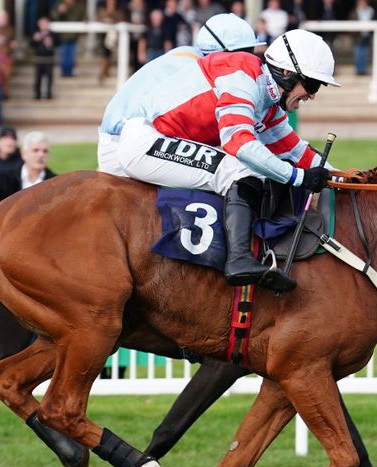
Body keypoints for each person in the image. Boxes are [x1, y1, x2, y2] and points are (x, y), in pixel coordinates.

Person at [115, 29, 338, 291]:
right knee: (242, 170)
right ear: (286, 73)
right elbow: (239, 143)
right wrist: (298, 178)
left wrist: (344, 177)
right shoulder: (243, 74)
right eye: (311, 85)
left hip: (162, 139)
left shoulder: (268, 99)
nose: (312, 95)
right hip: (146, 141)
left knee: (260, 169)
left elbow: (296, 151)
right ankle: (239, 260)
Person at [99, 13, 264, 177]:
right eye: (244, 54)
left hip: (116, 140)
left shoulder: (183, 56)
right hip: (133, 143)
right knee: (236, 173)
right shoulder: (201, 74)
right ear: (222, 53)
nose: (247, 62)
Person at [0, 131, 57, 208]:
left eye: (45, 151)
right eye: (35, 150)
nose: (41, 155)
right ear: (23, 153)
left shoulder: (55, 182)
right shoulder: (6, 178)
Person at [52, 0, 85, 77]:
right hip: (63, 35)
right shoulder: (59, 4)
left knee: (71, 55)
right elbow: (53, 16)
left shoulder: (79, 6)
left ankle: (69, 72)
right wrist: (59, 11)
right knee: (63, 54)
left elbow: (84, 17)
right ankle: (64, 72)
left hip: (74, 35)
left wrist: (84, 21)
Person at [31, 16, 59, 99]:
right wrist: (35, 39)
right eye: (42, 23)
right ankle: (37, 94)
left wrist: (51, 43)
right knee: (38, 79)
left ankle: (48, 94)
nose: (44, 25)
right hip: (39, 59)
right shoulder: (36, 33)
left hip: (49, 60)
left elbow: (58, 43)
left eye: (45, 23)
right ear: (39, 25)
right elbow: (31, 45)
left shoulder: (52, 34)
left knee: (49, 78)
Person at [353, 0, 374, 76]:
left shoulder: (370, 11)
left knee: (365, 53)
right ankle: (358, 70)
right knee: (358, 53)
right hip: (358, 36)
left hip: (367, 36)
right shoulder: (355, 11)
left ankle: (364, 70)